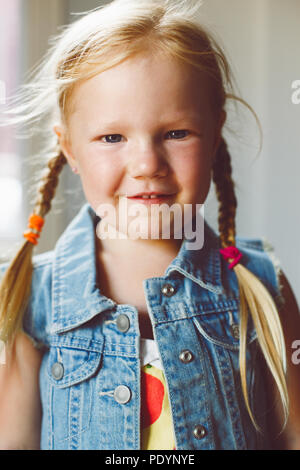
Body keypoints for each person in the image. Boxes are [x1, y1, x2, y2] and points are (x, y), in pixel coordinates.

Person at [0, 0, 299, 450]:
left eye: (176, 133)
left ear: (215, 134)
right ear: (70, 149)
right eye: (112, 137)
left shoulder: (261, 288)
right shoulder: (33, 301)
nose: (146, 163)